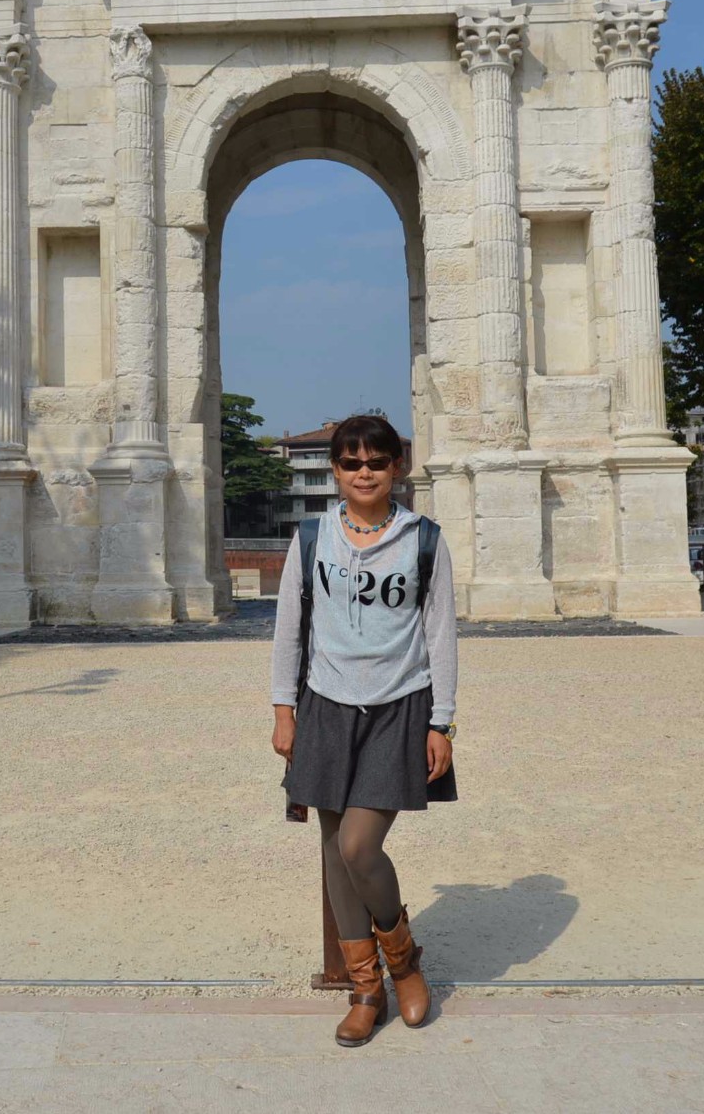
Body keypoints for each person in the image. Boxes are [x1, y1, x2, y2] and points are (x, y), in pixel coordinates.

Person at [270, 413, 458, 1047]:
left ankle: (403, 962)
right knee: (332, 849)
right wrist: (283, 710)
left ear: (397, 467)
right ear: (335, 470)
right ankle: (366, 989)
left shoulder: (424, 539)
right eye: (351, 463)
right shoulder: (311, 536)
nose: (365, 472)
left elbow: (441, 635)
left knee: (357, 846)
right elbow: (289, 628)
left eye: (377, 462)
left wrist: (442, 721)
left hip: (398, 706)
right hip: (325, 704)